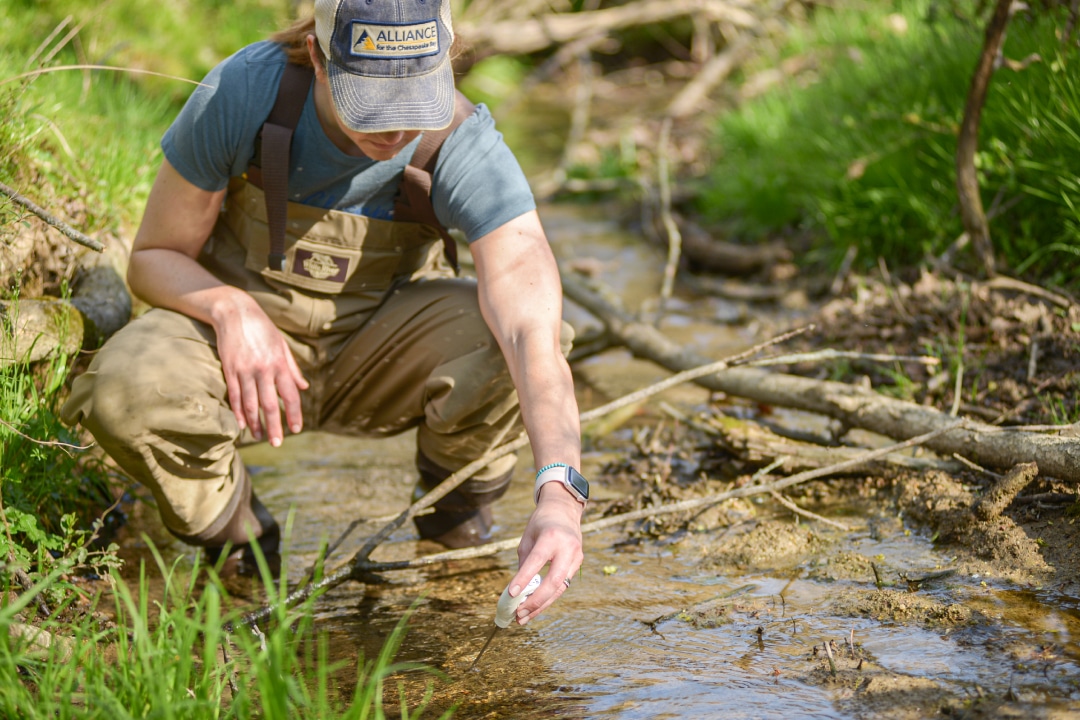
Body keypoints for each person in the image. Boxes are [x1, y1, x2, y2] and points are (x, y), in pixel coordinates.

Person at [61, 0, 585, 622]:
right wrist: (230, 309)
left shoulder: (466, 144)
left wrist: (560, 493)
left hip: (380, 356)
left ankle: (454, 529)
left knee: (516, 340)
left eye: (412, 102)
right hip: (237, 356)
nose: (392, 133)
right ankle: (237, 533)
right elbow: (152, 257)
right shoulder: (244, 93)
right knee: (123, 388)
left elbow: (531, 331)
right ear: (316, 54)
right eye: (371, 104)